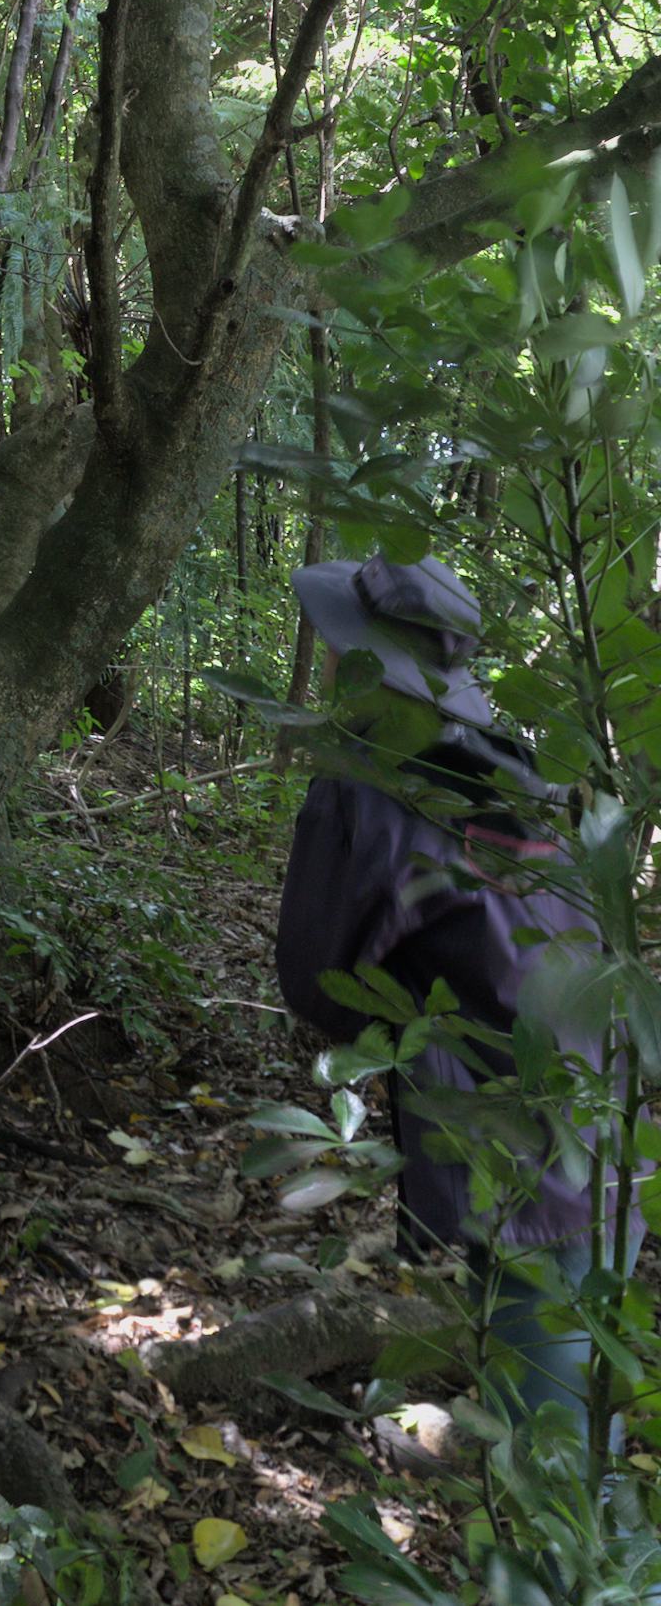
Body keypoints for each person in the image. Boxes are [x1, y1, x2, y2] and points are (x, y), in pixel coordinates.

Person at [276, 549, 628, 1434]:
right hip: (604, 1130)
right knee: (570, 1390)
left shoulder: (365, 787)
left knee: (556, 1459)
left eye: (338, 643)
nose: (325, 659)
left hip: (515, 1160)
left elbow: (318, 982)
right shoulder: (516, 771)